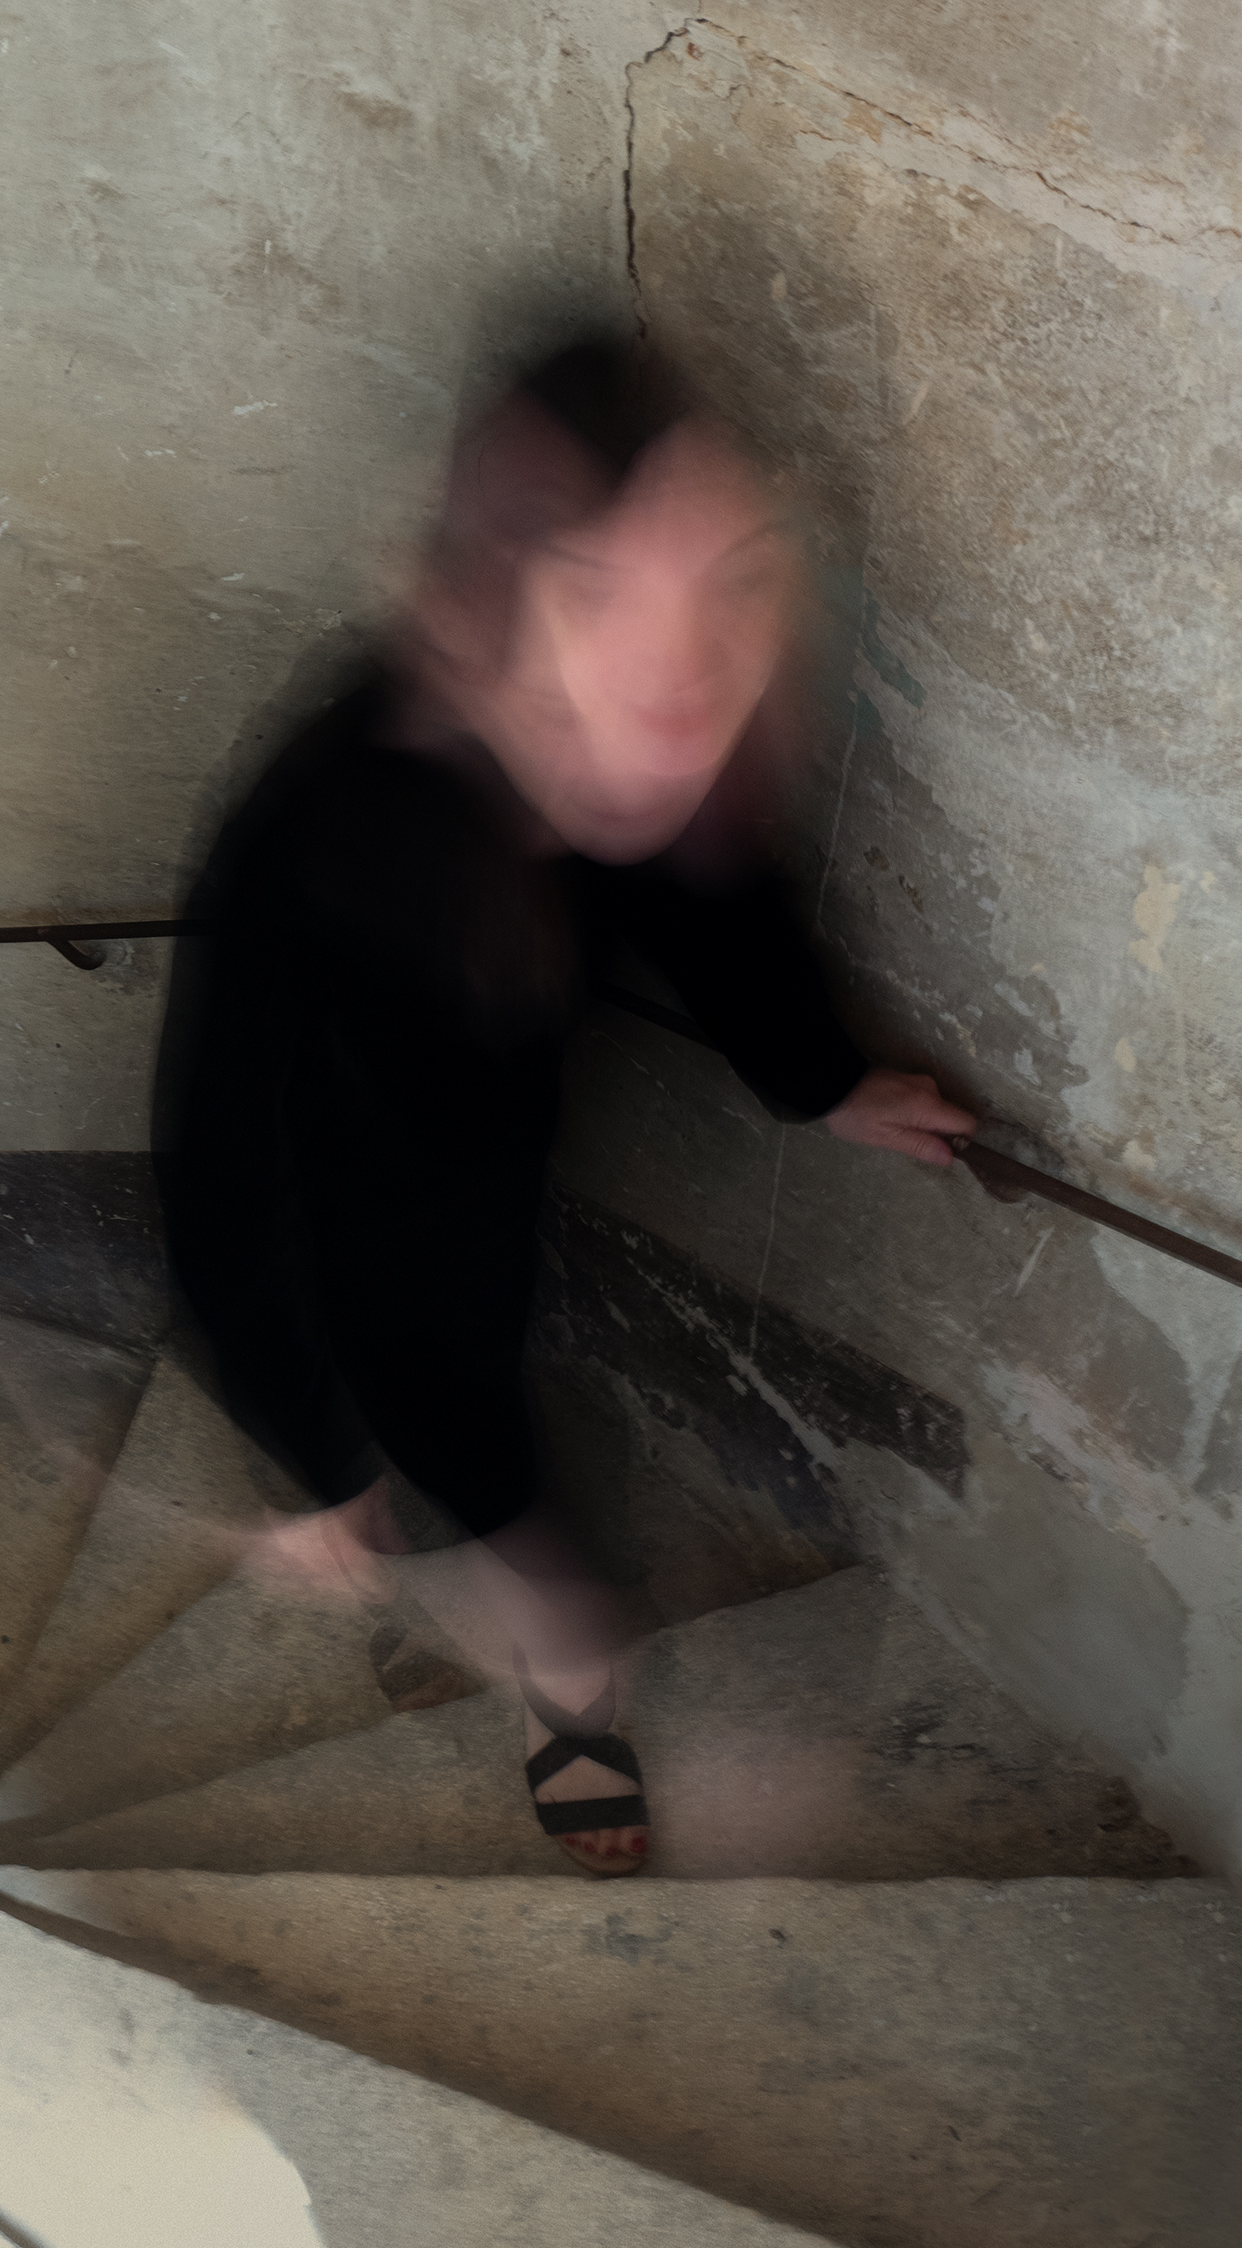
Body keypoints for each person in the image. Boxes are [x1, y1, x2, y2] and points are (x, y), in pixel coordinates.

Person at [153, 336, 974, 1878]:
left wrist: (819, 1083)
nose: (683, 681)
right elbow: (223, 1174)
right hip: (370, 1246)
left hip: (493, 1184)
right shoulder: (318, 847)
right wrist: (314, 1454)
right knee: (490, 1481)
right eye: (598, 591)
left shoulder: (626, 754)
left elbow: (712, 905)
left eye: (731, 578)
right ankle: (570, 1692)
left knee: (474, 1415)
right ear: (478, 605)